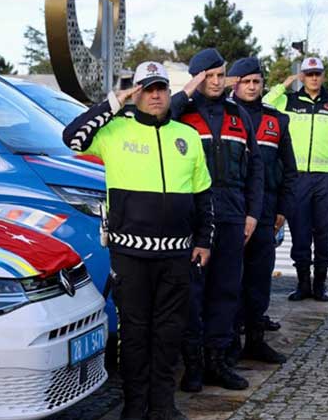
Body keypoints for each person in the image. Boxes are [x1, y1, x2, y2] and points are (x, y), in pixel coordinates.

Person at [63, 61, 213, 420]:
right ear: (137, 94)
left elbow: (203, 195)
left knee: (168, 333)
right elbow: (72, 138)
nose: (156, 94)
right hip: (130, 254)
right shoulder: (115, 131)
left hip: (177, 255)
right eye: (148, 89)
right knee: (134, 333)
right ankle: (133, 406)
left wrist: (204, 240)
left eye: (161, 87)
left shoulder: (187, 136)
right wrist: (114, 101)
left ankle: (162, 405)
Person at [171, 48, 263, 391]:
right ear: (197, 78)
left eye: (219, 75)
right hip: (194, 219)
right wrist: (187, 91)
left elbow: (255, 170)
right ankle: (192, 366)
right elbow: (161, 113)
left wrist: (252, 213)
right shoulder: (182, 113)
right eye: (208, 75)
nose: (215, 81)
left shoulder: (238, 116)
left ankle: (217, 362)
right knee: (193, 294)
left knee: (226, 292)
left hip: (232, 215)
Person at [262, 57, 328, 302]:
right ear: (302, 76)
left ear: (323, 76)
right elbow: (263, 102)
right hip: (297, 177)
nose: (314, 78)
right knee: (300, 231)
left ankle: (320, 284)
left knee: (324, 230)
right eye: (309, 74)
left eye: (318, 74)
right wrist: (284, 84)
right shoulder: (287, 101)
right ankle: (303, 284)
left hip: (325, 178)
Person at [226, 57, 297, 364]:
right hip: (230, 211)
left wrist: (283, 209)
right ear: (234, 83)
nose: (252, 87)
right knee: (228, 280)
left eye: (256, 81)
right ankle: (227, 345)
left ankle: (255, 341)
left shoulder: (276, 121)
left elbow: (290, 171)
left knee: (259, 279)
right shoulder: (222, 116)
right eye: (245, 81)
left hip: (266, 213)